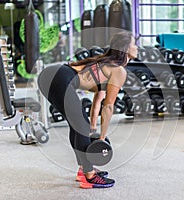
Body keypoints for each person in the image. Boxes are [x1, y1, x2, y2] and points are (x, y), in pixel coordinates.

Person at [38, 31, 138, 189]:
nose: (137, 47)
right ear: (125, 48)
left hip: (49, 75)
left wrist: (92, 127)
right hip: (59, 77)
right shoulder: (119, 70)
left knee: (78, 125)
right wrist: (102, 137)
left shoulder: (107, 64)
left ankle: (83, 170)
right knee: (80, 126)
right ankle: (89, 176)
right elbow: (109, 106)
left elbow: (99, 100)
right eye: (134, 44)